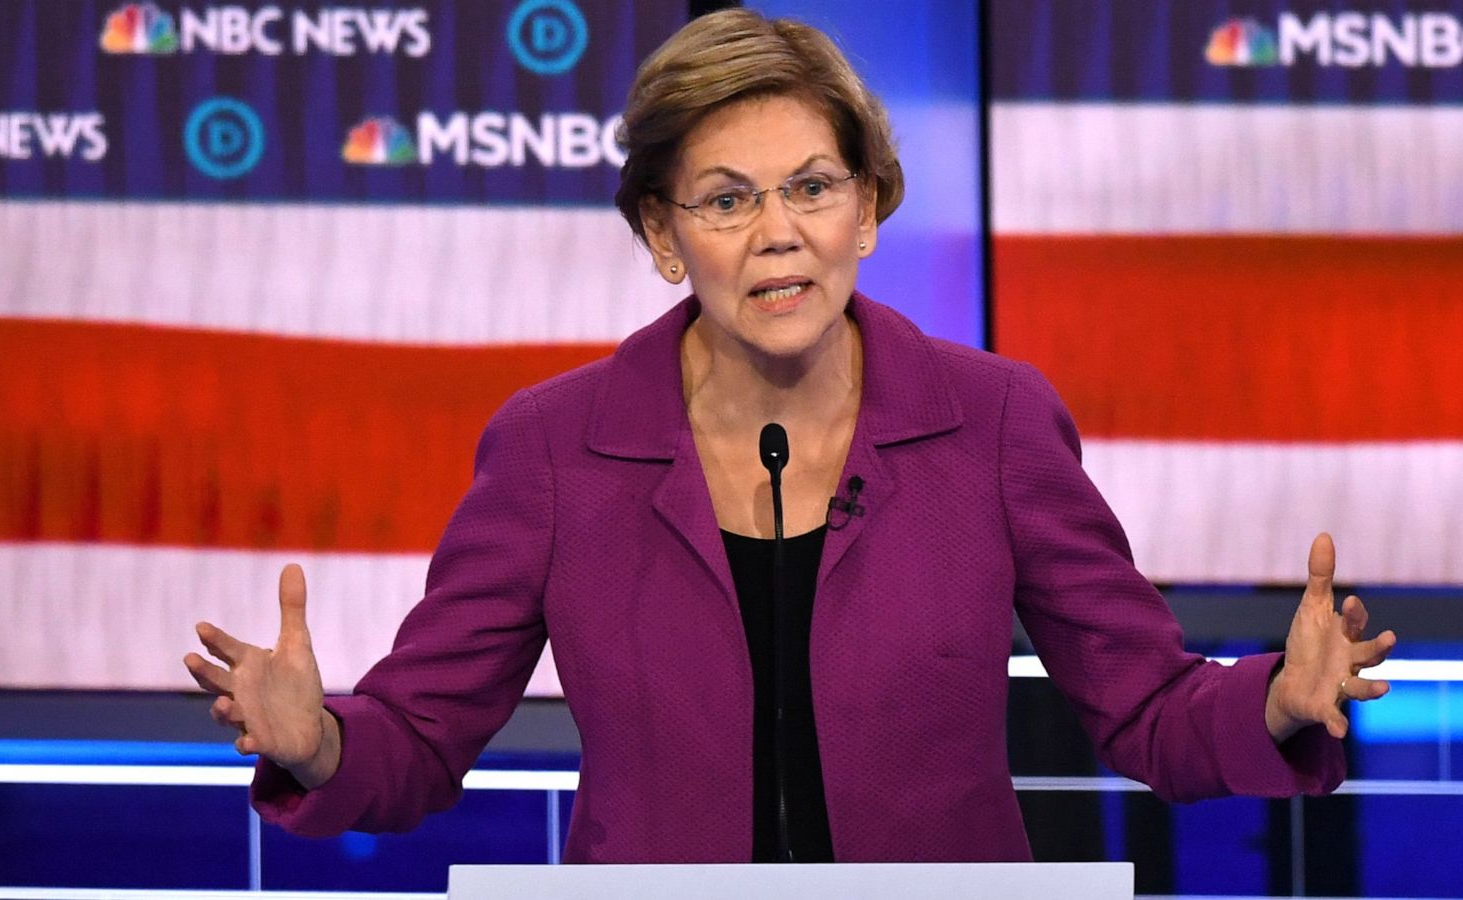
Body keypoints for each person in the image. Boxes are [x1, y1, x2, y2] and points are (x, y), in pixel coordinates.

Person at [182, 9, 1397, 864]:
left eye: (813, 187)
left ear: (867, 209)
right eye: (726, 199)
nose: (778, 232)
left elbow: (1145, 712)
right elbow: (423, 740)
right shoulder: (554, 451)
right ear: (663, 236)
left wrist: (1276, 705)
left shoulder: (996, 424)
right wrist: (322, 741)